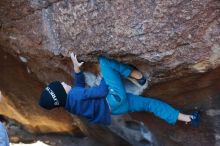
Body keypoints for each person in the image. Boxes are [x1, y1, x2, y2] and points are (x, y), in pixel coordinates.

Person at [39, 53, 200, 127]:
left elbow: (80, 88)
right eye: (60, 85)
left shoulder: (70, 104)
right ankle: (135, 75)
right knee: (104, 61)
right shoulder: (74, 94)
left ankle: (188, 119)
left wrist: (77, 70)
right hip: (113, 97)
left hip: (115, 109)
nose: (62, 82)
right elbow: (101, 92)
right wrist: (104, 78)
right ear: (61, 94)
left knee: (149, 105)